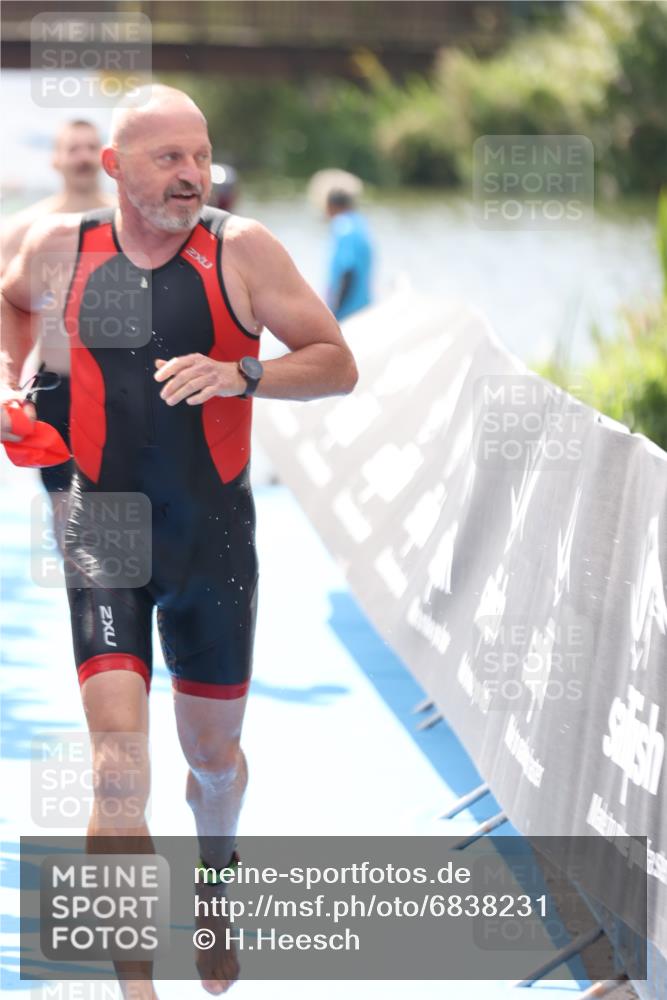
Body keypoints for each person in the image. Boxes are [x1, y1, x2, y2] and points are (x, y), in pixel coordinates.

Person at [0, 84, 358, 998]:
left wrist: (243, 372)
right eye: (168, 159)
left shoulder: (240, 253)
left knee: (212, 763)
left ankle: (215, 887)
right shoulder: (58, 246)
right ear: (115, 168)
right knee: (118, 766)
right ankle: (136, 986)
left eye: (199, 156)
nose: (191, 175)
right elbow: (11, 306)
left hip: (214, 543)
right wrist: (12, 381)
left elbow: (334, 363)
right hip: (102, 526)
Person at [1, 119, 115, 542]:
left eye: (91, 147)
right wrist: (5, 385)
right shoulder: (24, 230)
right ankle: (84, 604)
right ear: (56, 159)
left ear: (105, 156)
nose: (83, 157)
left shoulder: (132, 223)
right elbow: (5, 312)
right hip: (57, 388)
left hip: (122, 387)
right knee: (66, 513)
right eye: (74, 149)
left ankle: (128, 601)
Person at [325, 186, 373, 321]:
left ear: (331, 206)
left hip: (348, 312)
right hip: (364, 307)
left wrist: (334, 312)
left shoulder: (343, 227)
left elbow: (348, 272)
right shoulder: (360, 223)